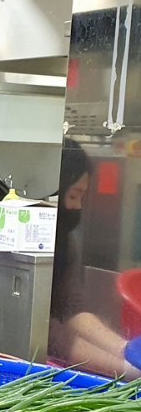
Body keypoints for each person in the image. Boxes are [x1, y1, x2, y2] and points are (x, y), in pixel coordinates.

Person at [48, 139, 139, 380]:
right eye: (73, 195)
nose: (77, 207)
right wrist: (128, 370)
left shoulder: (66, 243)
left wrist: (127, 350)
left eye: (82, 197)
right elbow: (50, 335)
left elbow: (73, 310)